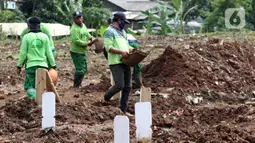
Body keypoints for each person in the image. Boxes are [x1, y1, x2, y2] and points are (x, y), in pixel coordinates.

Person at [17, 16, 56, 99]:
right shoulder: (45, 37)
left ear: (29, 26)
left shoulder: (26, 37)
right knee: (41, 86)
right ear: (39, 25)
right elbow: (49, 52)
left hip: (31, 66)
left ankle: (34, 100)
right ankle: (42, 102)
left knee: (29, 86)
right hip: (43, 66)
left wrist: (19, 66)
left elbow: (23, 54)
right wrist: (53, 65)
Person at [103, 12, 134, 116]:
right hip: (116, 62)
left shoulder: (123, 32)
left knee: (128, 86)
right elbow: (109, 48)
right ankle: (106, 97)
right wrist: (121, 52)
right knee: (120, 84)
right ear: (118, 20)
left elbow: (126, 46)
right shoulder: (109, 31)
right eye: (123, 22)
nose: (124, 24)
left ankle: (123, 110)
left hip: (126, 61)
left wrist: (132, 50)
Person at [70, 11, 98, 88]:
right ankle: (76, 86)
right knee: (80, 70)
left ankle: (79, 84)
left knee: (84, 69)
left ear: (82, 17)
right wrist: (87, 43)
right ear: (74, 19)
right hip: (76, 51)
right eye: (77, 18)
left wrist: (91, 38)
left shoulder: (83, 25)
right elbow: (76, 41)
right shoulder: (74, 29)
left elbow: (87, 33)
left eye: (80, 17)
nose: (79, 19)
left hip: (82, 51)